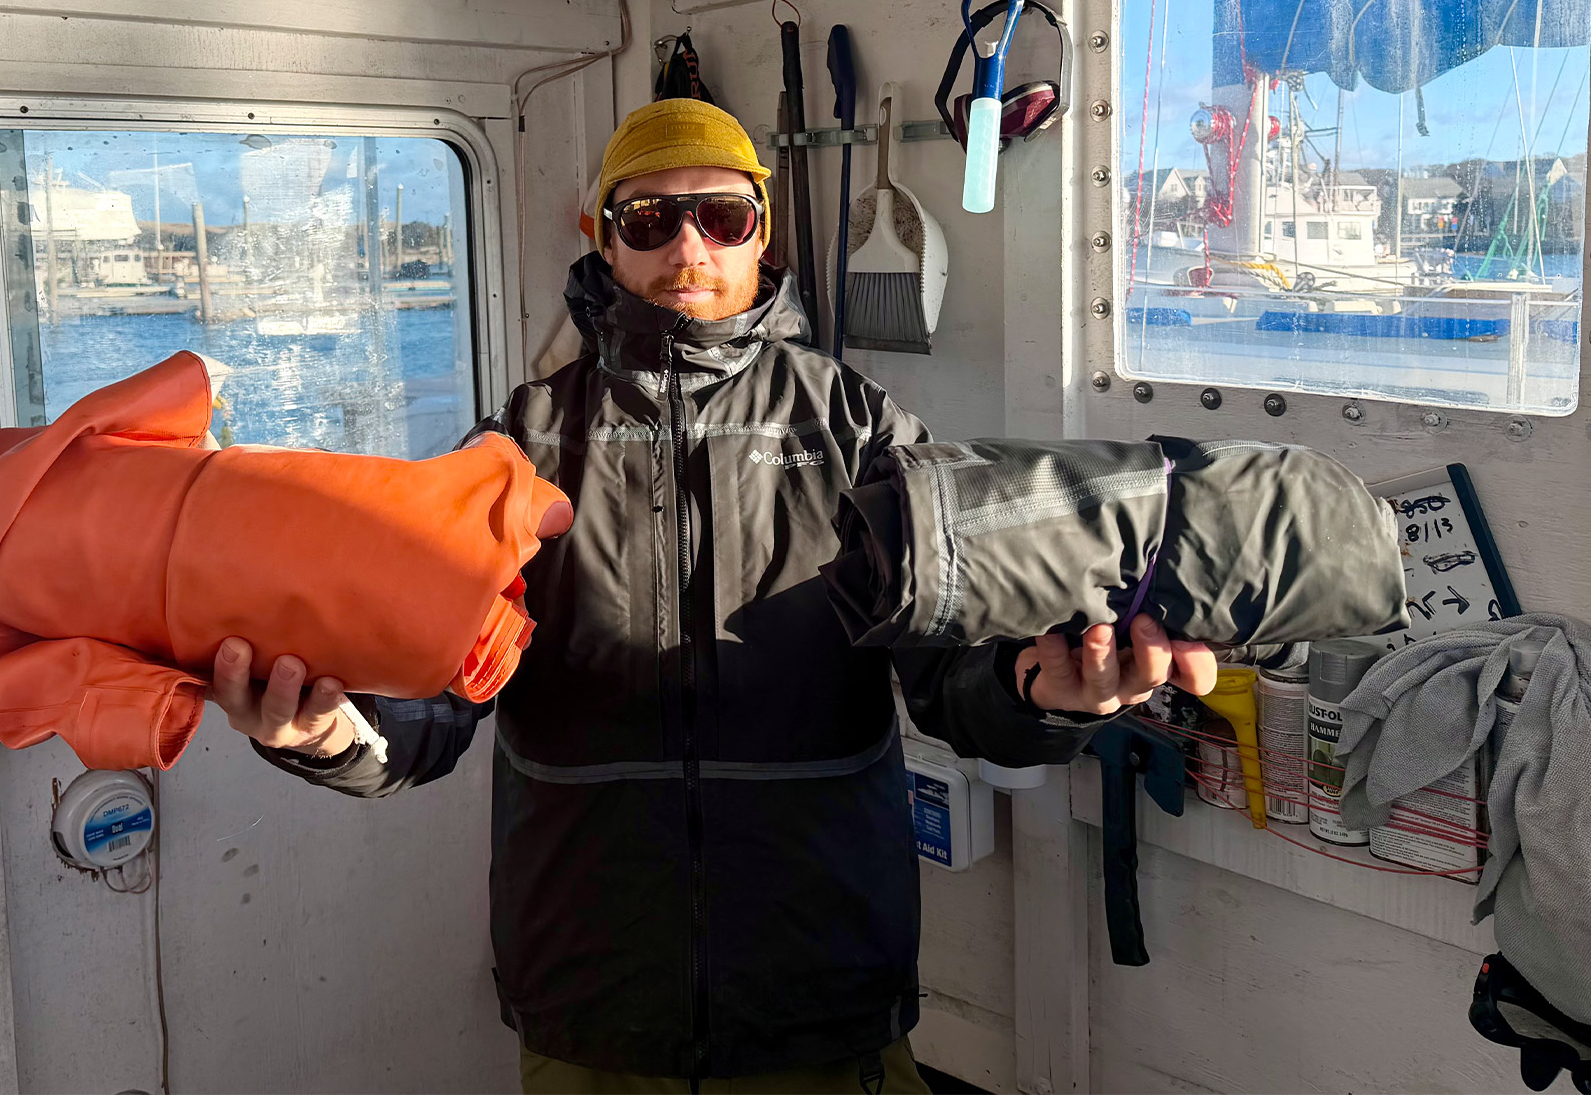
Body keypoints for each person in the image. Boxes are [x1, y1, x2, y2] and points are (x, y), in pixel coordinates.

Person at [210, 99, 1217, 1093]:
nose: (687, 245)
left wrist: (1043, 697)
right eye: (647, 220)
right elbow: (434, 693)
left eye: (720, 216)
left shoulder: (859, 431)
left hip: (820, 979)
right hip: (592, 991)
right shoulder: (520, 443)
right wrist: (332, 732)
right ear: (603, 240)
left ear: (760, 233)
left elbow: (953, 677)